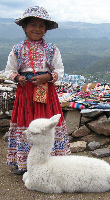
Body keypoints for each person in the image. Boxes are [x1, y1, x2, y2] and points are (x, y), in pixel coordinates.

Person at [5, 6, 71, 175]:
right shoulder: (17, 49)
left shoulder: (51, 49)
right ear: (24, 27)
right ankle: (25, 163)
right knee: (27, 124)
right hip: (25, 93)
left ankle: (52, 159)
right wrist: (17, 78)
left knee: (46, 124)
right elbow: (9, 70)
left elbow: (59, 70)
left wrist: (47, 77)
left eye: (41, 26)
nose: (37, 29)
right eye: (33, 24)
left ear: (46, 29)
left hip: (45, 92)